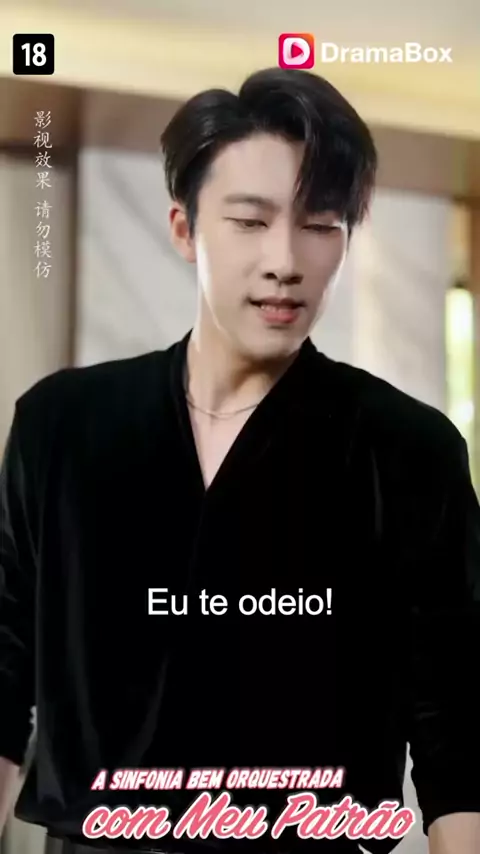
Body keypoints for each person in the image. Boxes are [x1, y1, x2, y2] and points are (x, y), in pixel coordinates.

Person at [0, 67, 479, 854]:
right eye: (251, 222)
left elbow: (455, 729)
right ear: (185, 229)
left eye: (320, 224)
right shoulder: (62, 427)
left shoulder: (408, 450)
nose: (285, 260)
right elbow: (5, 670)